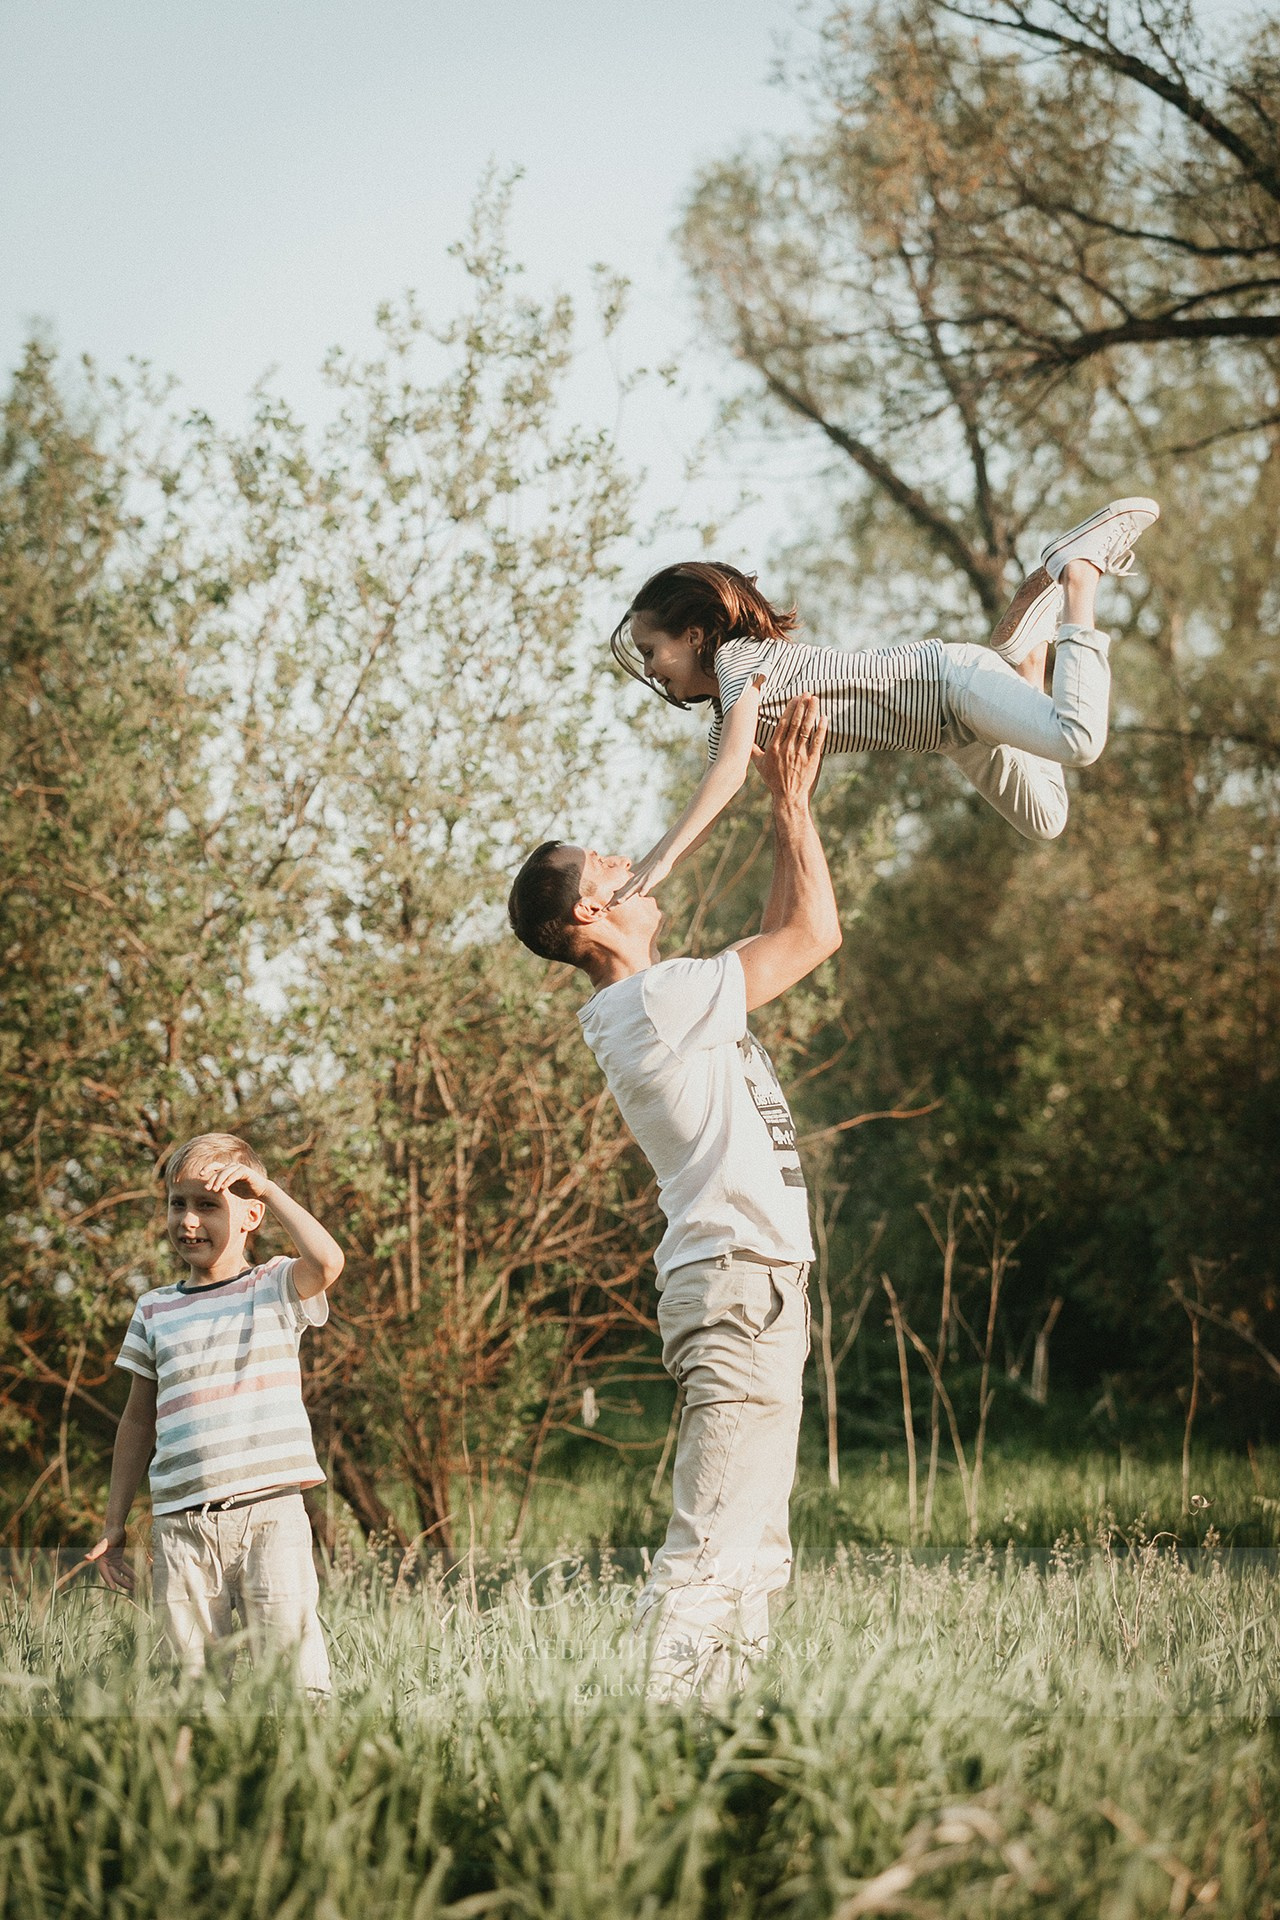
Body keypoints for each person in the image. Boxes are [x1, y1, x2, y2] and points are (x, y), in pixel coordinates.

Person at [508, 696, 838, 1700]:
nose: (635, 861)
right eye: (609, 865)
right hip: (738, 1287)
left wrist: (784, 806)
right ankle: (650, 1734)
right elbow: (811, 934)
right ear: (587, 914)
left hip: (753, 1287)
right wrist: (790, 803)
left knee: (754, 1550)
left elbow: (783, 929)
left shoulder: (657, 1001)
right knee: (713, 1548)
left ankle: (724, 1738)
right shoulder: (654, 1000)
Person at [609, 498, 1160, 895]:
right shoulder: (727, 719)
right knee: (1047, 819)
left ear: (694, 635)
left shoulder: (738, 659)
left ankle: (1078, 573)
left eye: (651, 651)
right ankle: (1029, 657)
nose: (650, 670)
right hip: (950, 734)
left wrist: (662, 861)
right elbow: (710, 807)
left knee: (1078, 740)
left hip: (949, 682)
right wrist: (643, 874)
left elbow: (730, 772)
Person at [87, 1133, 344, 1697]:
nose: (189, 1220)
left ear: (251, 1215)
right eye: (177, 1203)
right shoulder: (154, 1309)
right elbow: (137, 1422)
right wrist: (114, 1522)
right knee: (194, 1692)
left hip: (270, 1516)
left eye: (208, 1205)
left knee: (295, 1683)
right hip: (180, 1527)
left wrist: (268, 1189)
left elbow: (328, 1261)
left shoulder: (273, 1285)